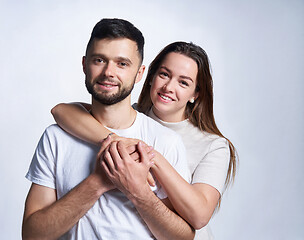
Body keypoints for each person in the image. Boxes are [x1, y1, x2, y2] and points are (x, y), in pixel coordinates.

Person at [22, 18, 195, 240]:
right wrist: (97, 183)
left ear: (140, 73)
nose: (108, 72)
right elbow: (32, 235)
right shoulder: (55, 137)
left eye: (122, 63)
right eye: (99, 60)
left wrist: (138, 191)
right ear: (85, 64)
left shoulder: (165, 141)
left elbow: (183, 237)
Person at [51, 41, 238, 239]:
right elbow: (61, 111)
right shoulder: (130, 117)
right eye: (164, 74)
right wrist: (117, 140)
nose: (168, 87)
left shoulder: (213, 146)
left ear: (195, 94)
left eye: (183, 83)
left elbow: (199, 216)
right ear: (150, 77)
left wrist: (152, 156)